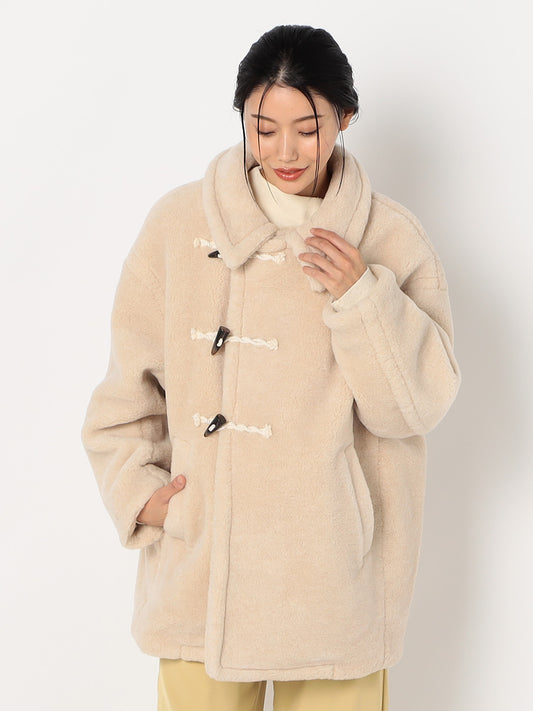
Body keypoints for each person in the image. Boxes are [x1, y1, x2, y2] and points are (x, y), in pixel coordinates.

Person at [81, 24, 461, 711]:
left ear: (346, 118)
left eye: (307, 130)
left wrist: (362, 297)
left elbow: (415, 408)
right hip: (201, 579)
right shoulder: (177, 226)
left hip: (336, 585)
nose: (284, 152)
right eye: (263, 128)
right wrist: (142, 494)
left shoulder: (391, 238)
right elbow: (124, 398)